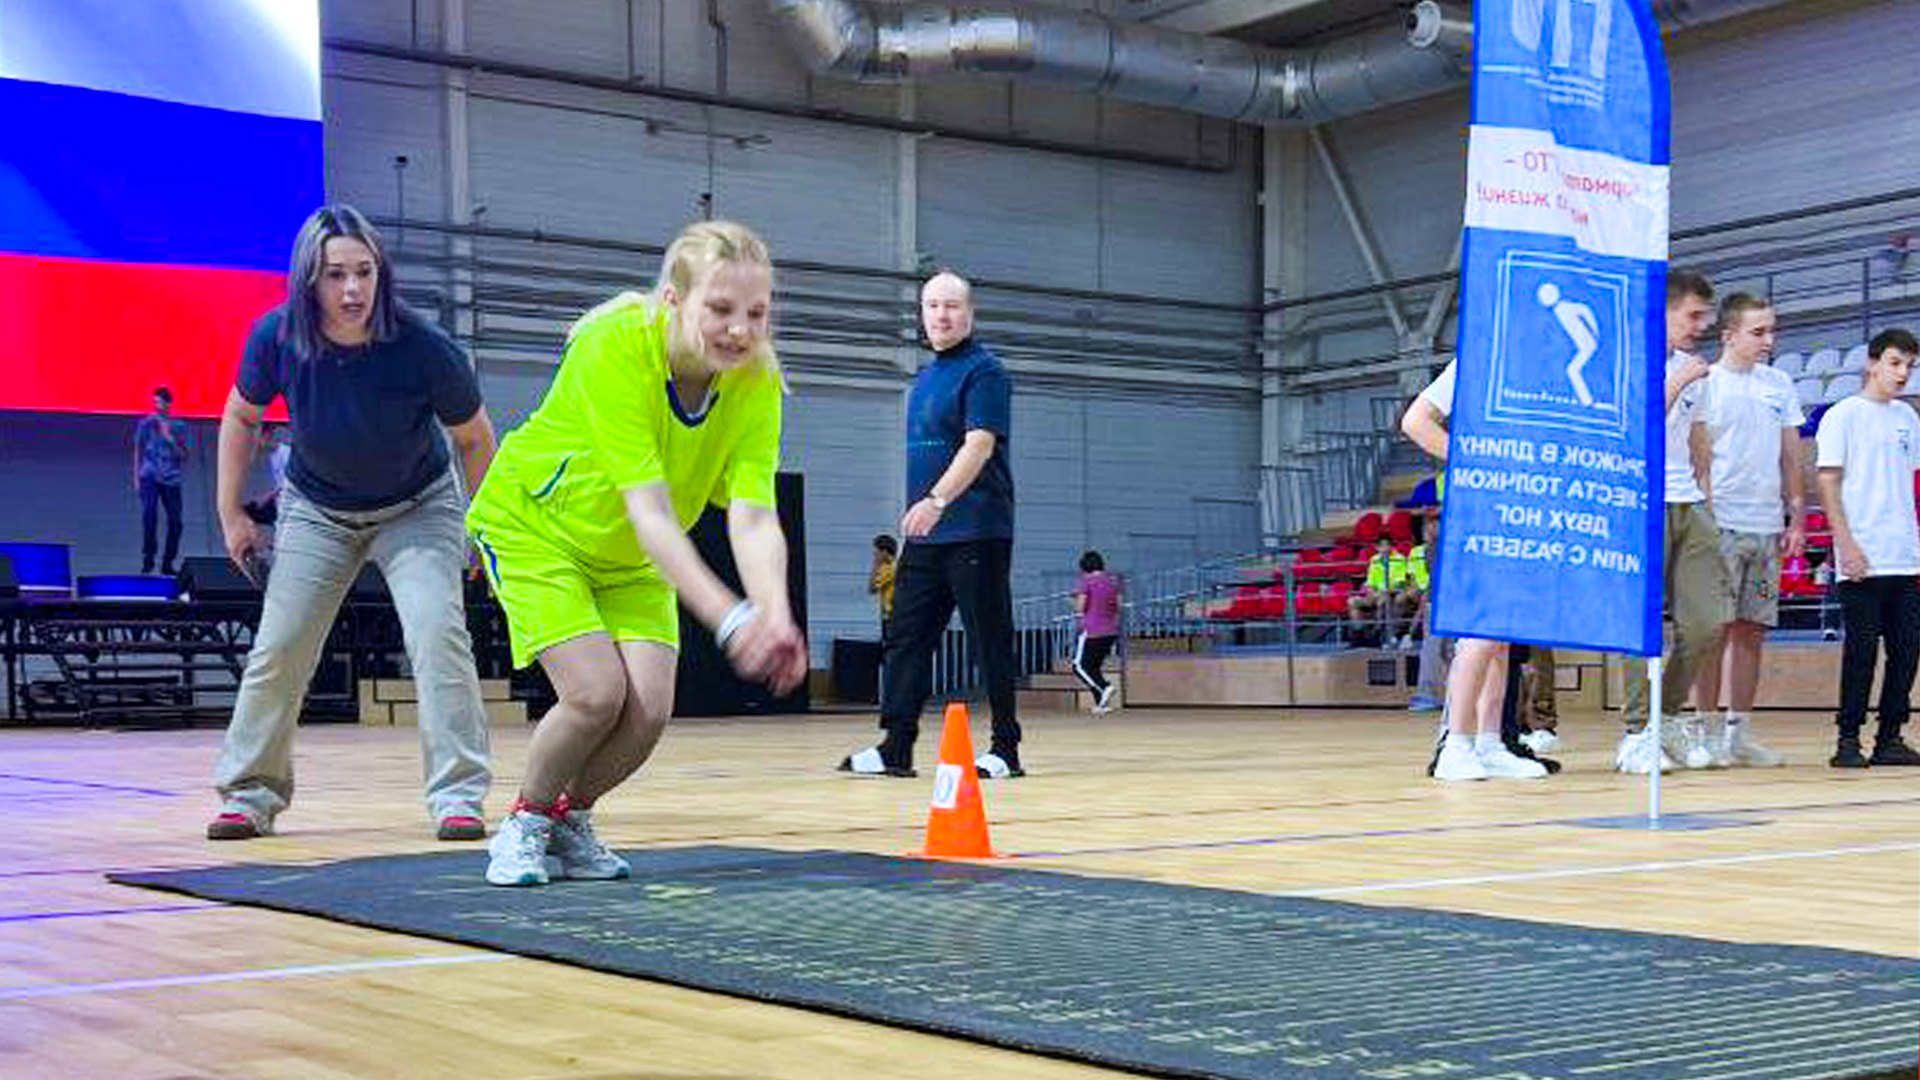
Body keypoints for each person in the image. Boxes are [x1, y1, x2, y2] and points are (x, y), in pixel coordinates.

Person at [468, 220, 806, 886]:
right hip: (539, 528)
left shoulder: (756, 382)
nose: (739, 330)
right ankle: (524, 823)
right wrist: (731, 618)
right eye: (720, 309)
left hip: (632, 558)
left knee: (648, 708)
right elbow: (648, 510)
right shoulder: (613, 346)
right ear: (674, 300)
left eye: (756, 314)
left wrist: (775, 613)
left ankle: (571, 817)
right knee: (596, 695)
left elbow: (755, 513)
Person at [207, 204, 498, 842]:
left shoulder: (423, 347)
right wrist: (231, 514)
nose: (353, 290)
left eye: (364, 272)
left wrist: (481, 529)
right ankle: (250, 794)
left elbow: (476, 440)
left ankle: (458, 796)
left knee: (437, 637)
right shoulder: (275, 337)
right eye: (336, 275)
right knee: (279, 647)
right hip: (317, 510)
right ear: (308, 280)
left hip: (418, 506)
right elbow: (240, 418)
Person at [839, 270, 1022, 780]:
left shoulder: (984, 372)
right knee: (905, 636)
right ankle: (896, 745)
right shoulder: (924, 379)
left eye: (952, 306)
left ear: (969, 313)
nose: (941, 315)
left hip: (976, 528)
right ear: (922, 314)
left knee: (989, 638)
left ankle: (1005, 749)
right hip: (927, 535)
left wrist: (938, 499)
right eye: (932, 306)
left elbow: (979, 444)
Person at [1400, 361, 1547, 781]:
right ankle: (1455, 744)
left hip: (1523, 506)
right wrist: (1474, 457)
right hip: (1480, 508)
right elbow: (1416, 420)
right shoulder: (1478, 357)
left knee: (1501, 634)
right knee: (1480, 630)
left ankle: (1488, 742)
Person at [1615, 269, 1728, 773]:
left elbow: (1697, 439)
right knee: (1642, 625)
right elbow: (1633, 430)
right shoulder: (1629, 357)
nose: (1702, 324)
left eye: (1706, 315)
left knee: (1707, 623)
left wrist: (1708, 501)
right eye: (1693, 315)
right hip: (1641, 501)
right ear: (1664, 312)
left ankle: (1667, 716)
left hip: (1690, 503)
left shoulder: (1694, 368)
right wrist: (1677, 379)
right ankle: (1638, 732)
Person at [1689, 294, 1803, 767]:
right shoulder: (1706, 384)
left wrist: (1795, 511)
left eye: (1771, 331)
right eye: (1758, 332)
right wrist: (1706, 518)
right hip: (1721, 523)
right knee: (1713, 632)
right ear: (1729, 335)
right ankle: (1706, 732)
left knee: (1751, 631)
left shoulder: (1778, 383)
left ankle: (1738, 732)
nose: (1768, 341)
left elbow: (1791, 453)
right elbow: (1698, 459)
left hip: (1765, 523)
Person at [1814, 328, 1920, 768]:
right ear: (1872, 363)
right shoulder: (1843, 415)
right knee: (1861, 653)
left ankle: (1890, 737)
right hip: (1862, 556)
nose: (1902, 373)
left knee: (1907, 650)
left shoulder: (1909, 419)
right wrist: (1846, 544)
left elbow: (1907, 484)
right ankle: (1847, 740)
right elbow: (1828, 481)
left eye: (1910, 366)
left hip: (1904, 554)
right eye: (1895, 363)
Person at [133, 386, 188, 576]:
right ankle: (148, 560)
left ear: (168, 404)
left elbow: (184, 456)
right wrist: (136, 478)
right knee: (149, 516)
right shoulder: (145, 424)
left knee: (176, 522)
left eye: (160, 402)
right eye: (154, 401)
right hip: (149, 476)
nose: (157, 406)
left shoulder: (180, 426)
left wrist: (168, 437)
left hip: (171, 479)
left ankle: (167, 562)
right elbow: (138, 451)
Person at [1071, 550, 1121, 713]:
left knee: (1078, 666)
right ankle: (1101, 704)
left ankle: (1104, 687)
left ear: (1084, 566)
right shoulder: (1112, 582)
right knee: (1093, 667)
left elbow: (1080, 607)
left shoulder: (1087, 581)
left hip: (1091, 630)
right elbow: (1117, 607)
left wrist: (1072, 601)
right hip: (1110, 631)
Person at [1348, 535, 1416, 648]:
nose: (1385, 548)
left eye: (1387, 545)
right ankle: (1359, 637)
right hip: (1375, 594)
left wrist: (1383, 591)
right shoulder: (1374, 560)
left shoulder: (1399, 559)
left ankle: (1377, 636)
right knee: (1352, 601)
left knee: (1382, 600)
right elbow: (1370, 582)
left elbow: (1400, 583)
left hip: (1391, 593)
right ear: (1377, 548)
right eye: (1382, 546)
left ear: (1391, 546)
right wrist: (1371, 591)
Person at [868, 534, 898, 630]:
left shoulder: (889, 568)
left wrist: (876, 564)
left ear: (884, 551)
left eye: (876, 550)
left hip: (891, 616)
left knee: (889, 643)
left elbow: (872, 589)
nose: (874, 554)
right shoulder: (894, 565)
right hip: (894, 614)